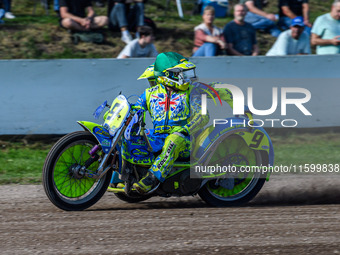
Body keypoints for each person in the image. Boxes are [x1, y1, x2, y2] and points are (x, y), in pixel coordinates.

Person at [132, 52, 208, 194]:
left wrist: (185, 129)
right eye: (182, 74)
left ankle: (151, 179)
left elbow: (203, 116)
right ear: (168, 75)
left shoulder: (193, 91)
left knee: (174, 139)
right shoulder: (149, 93)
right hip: (158, 136)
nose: (187, 78)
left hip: (186, 140)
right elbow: (136, 110)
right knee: (135, 137)